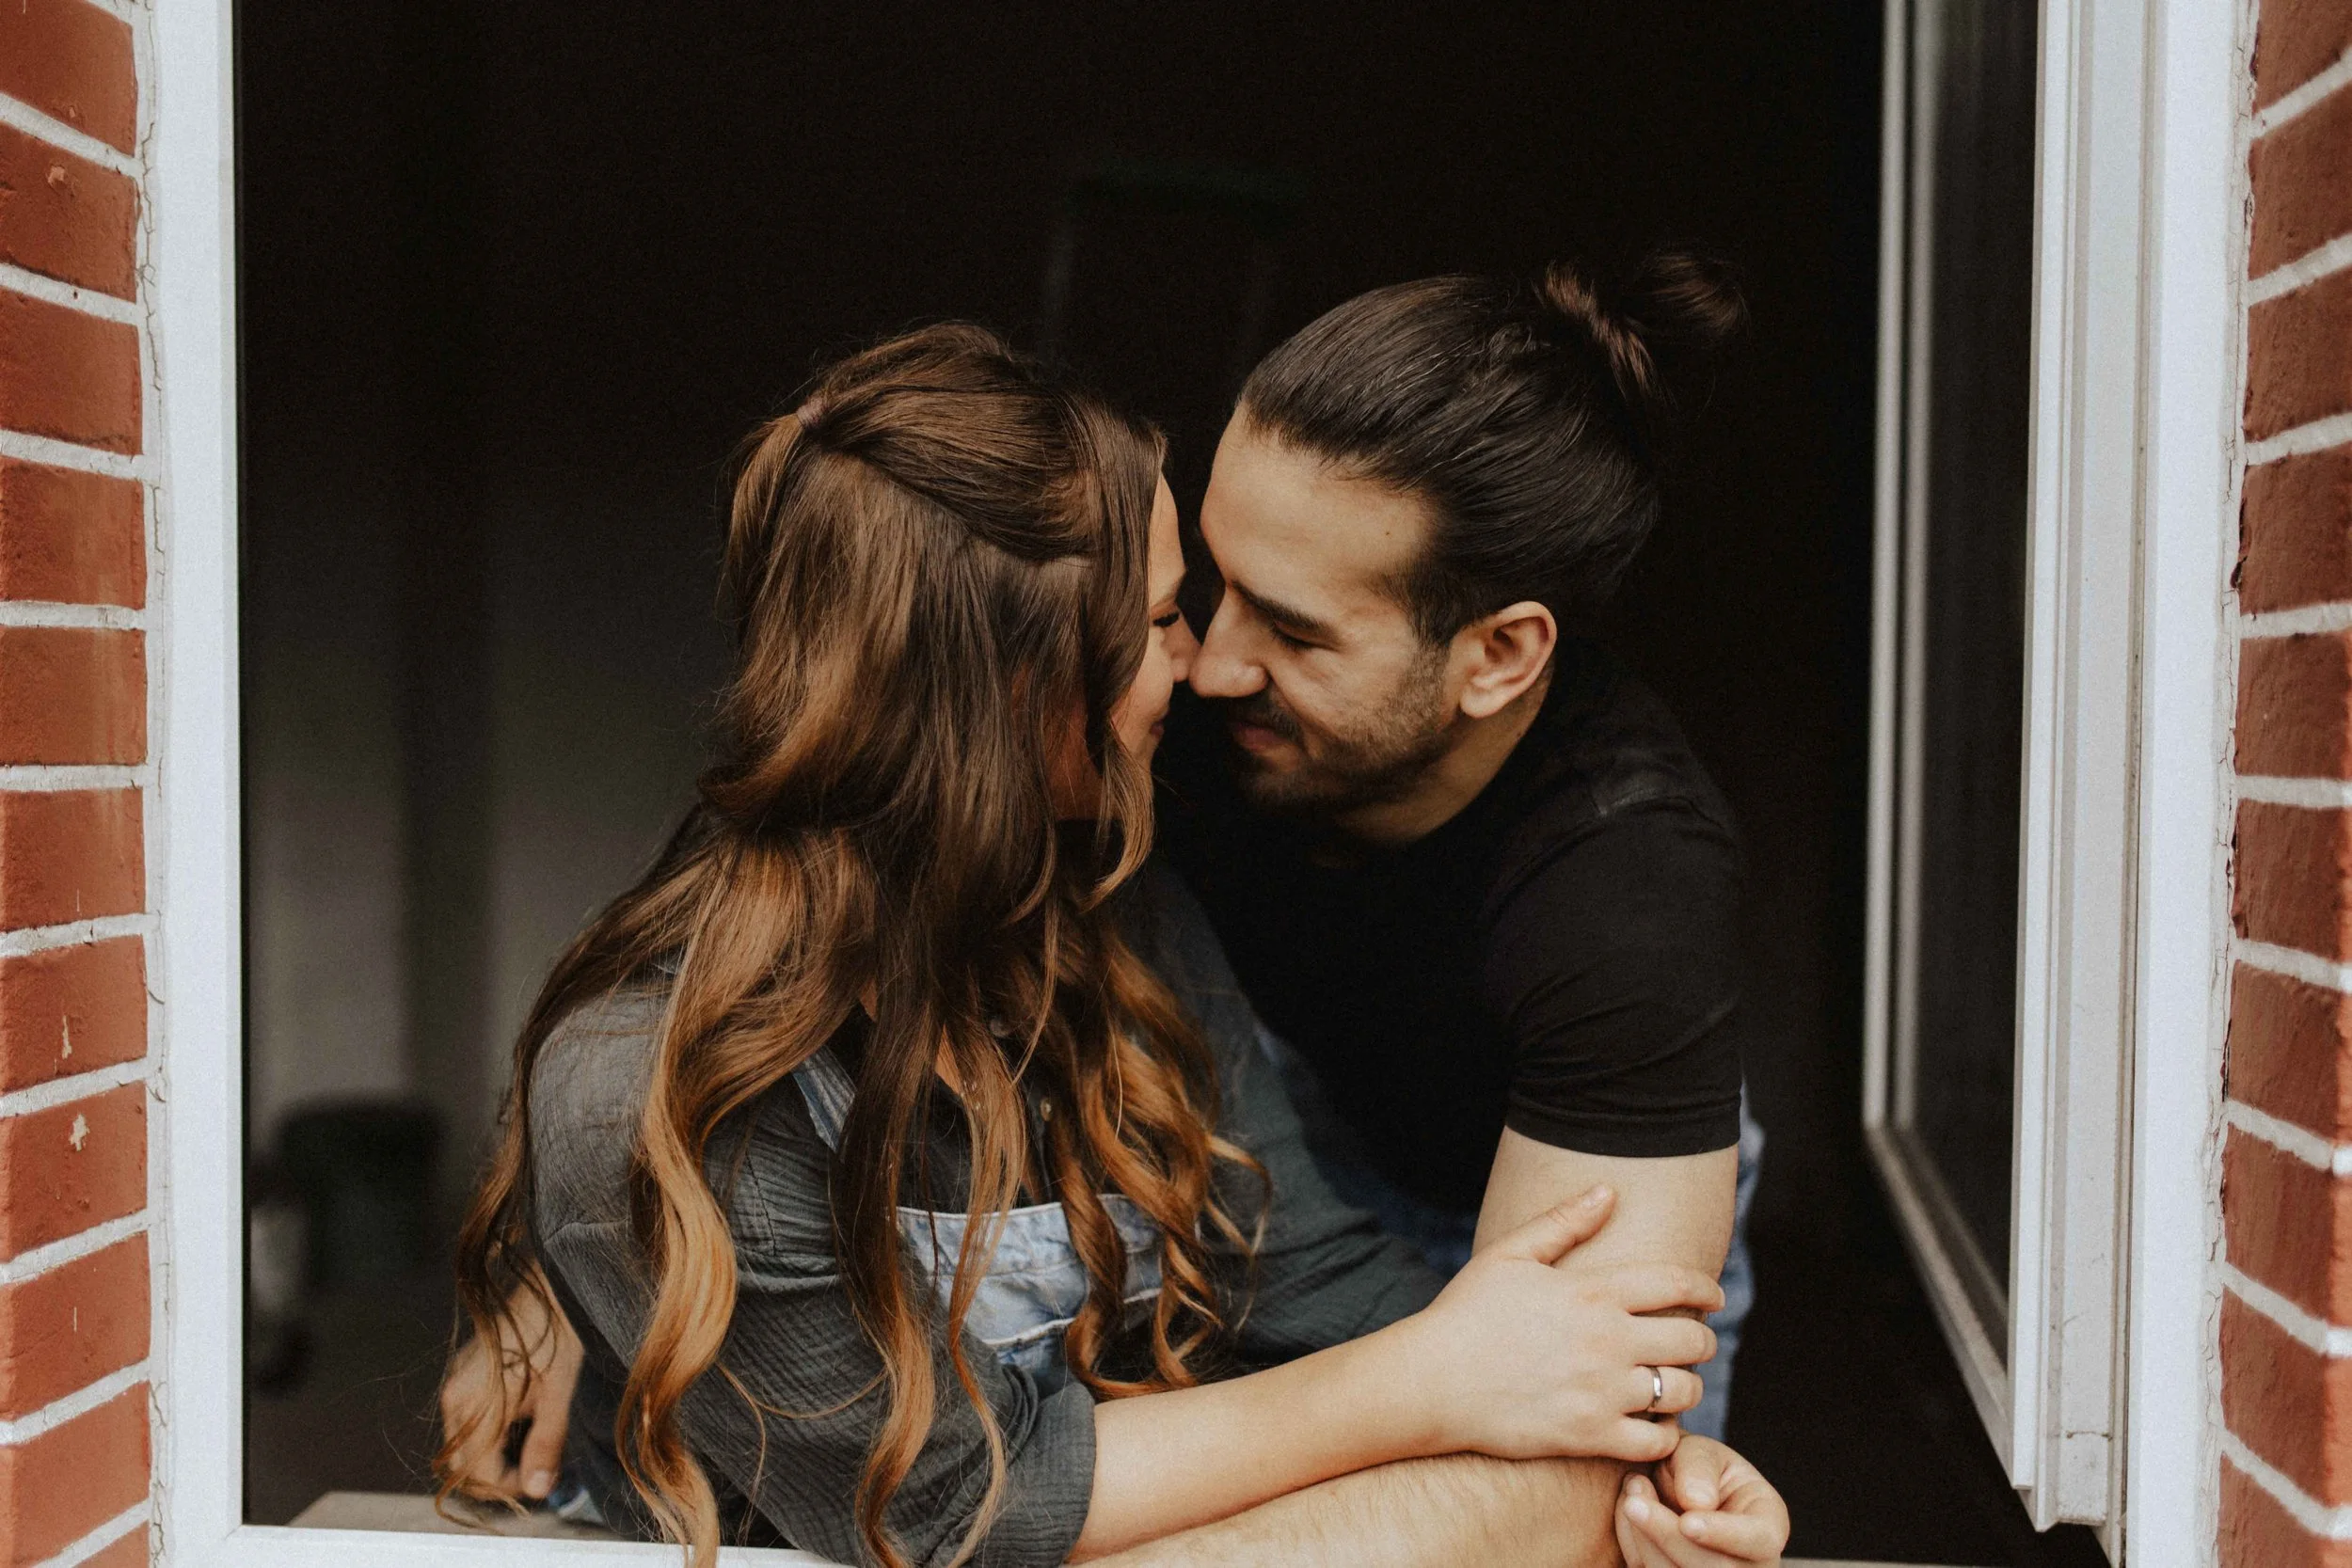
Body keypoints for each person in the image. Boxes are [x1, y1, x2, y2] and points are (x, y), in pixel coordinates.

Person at [437, 324, 1788, 1568]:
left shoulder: (1135, 900)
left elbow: (1298, 1265)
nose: (1204, 666)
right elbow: (929, 1501)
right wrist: (563, 1253)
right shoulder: (653, 1082)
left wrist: (1636, 1456)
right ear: (1009, 701)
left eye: (1274, 624)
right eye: (1167, 616)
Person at [1157, 251, 1767, 1447]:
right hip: (1278, 1131)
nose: (1210, 663)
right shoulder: (1163, 678)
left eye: (1292, 630)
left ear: (1496, 656)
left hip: (1548, 1183)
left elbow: (1559, 1455)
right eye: (1212, 579)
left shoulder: (1629, 891)